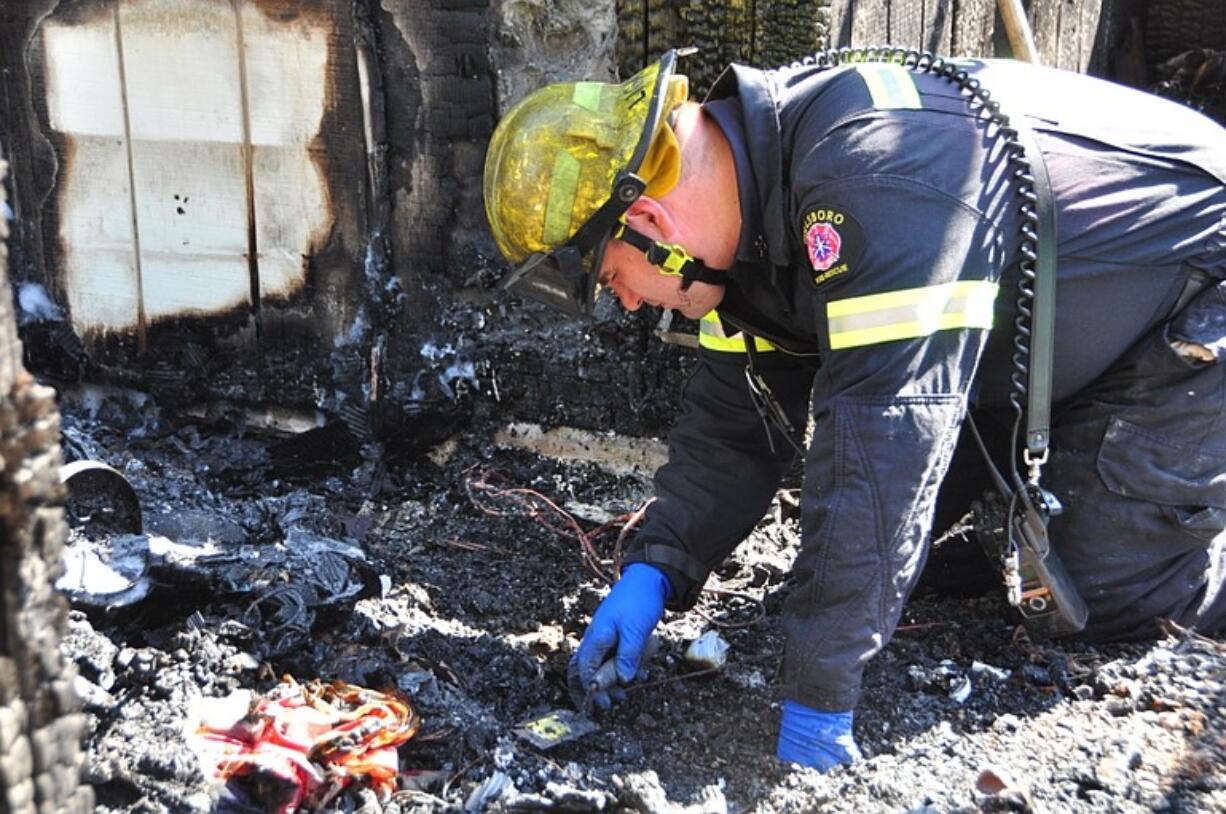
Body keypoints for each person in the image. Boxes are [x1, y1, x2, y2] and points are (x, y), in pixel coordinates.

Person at [482, 48, 1226, 771]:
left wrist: (818, 697)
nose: (632, 302)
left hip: (1191, 303)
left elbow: (883, 452)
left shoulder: (875, 182)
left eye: (615, 277)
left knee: (1101, 596)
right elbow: (734, 430)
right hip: (1044, 339)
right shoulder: (747, 217)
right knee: (948, 562)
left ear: (649, 219)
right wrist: (657, 569)